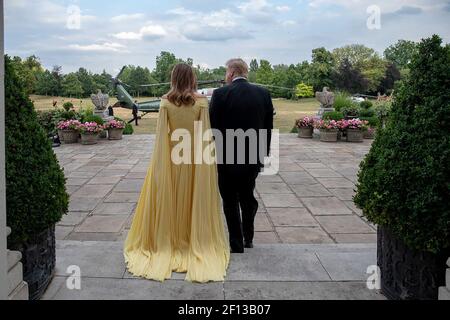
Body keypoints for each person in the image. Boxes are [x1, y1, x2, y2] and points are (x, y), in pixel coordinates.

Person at [124, 63, 230, 282]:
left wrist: (160, 164)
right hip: (194, 159)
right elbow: (205, 135)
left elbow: (162, 136)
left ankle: (168, 243)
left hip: (171, 157)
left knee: (170, 200)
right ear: (192, 77)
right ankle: (192, 242)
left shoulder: (165, 102)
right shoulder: (201, 102)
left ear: (173, 78)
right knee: (194, 200)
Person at [210, 58, 274, 253]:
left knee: (229, 200)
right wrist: (263, 156)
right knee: (247, 197)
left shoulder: (220, 94)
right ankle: (249, 238)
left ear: (230, 73)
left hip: (227, 156)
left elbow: (213, 127)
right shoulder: (263, 93)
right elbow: (267, 128)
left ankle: (236, 243)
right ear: (245, 72)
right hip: (253, 156)